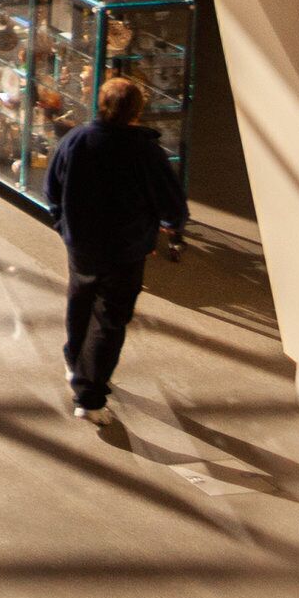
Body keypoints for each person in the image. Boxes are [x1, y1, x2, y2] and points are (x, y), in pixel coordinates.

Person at [46, 77, 187, 419]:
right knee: (109, 319)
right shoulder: (145, 151)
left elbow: (52, 188)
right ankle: (89, 397)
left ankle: (75, 359)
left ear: (100, 103)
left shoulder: (76, 140)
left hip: (81, 244)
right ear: (137, 111)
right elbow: (169, 199)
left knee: (80, 300)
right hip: (125, 249)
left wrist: (63, 225)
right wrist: (171, 225)